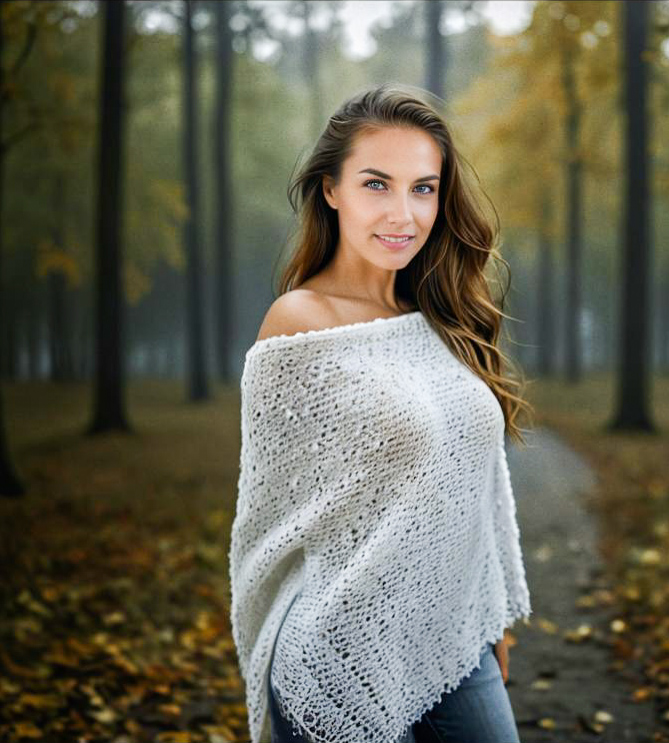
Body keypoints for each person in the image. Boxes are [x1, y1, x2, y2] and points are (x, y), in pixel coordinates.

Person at [229, 83, 535, 743]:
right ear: (331, 189)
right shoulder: (297, 324)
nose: (404, 212)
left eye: (423, 188)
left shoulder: (434, 318)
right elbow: (274, 514)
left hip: (456, 640)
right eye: (377, 183)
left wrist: (489, 613)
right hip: (340, 654)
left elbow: (469, 482)